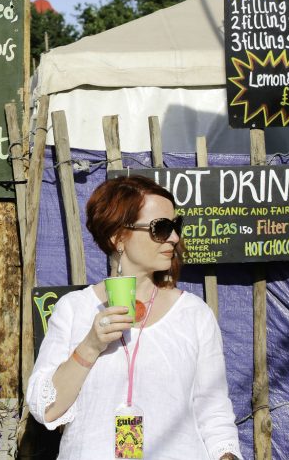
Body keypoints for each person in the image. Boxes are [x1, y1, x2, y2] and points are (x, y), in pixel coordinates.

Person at [25, 175, 242, 459]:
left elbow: (214, 413)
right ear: (118, 237)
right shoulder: (74, 309)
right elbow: (46, 407)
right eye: (161, 228)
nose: (174, 238)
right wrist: (90, 346)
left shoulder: (193, 314)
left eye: (176, 226)